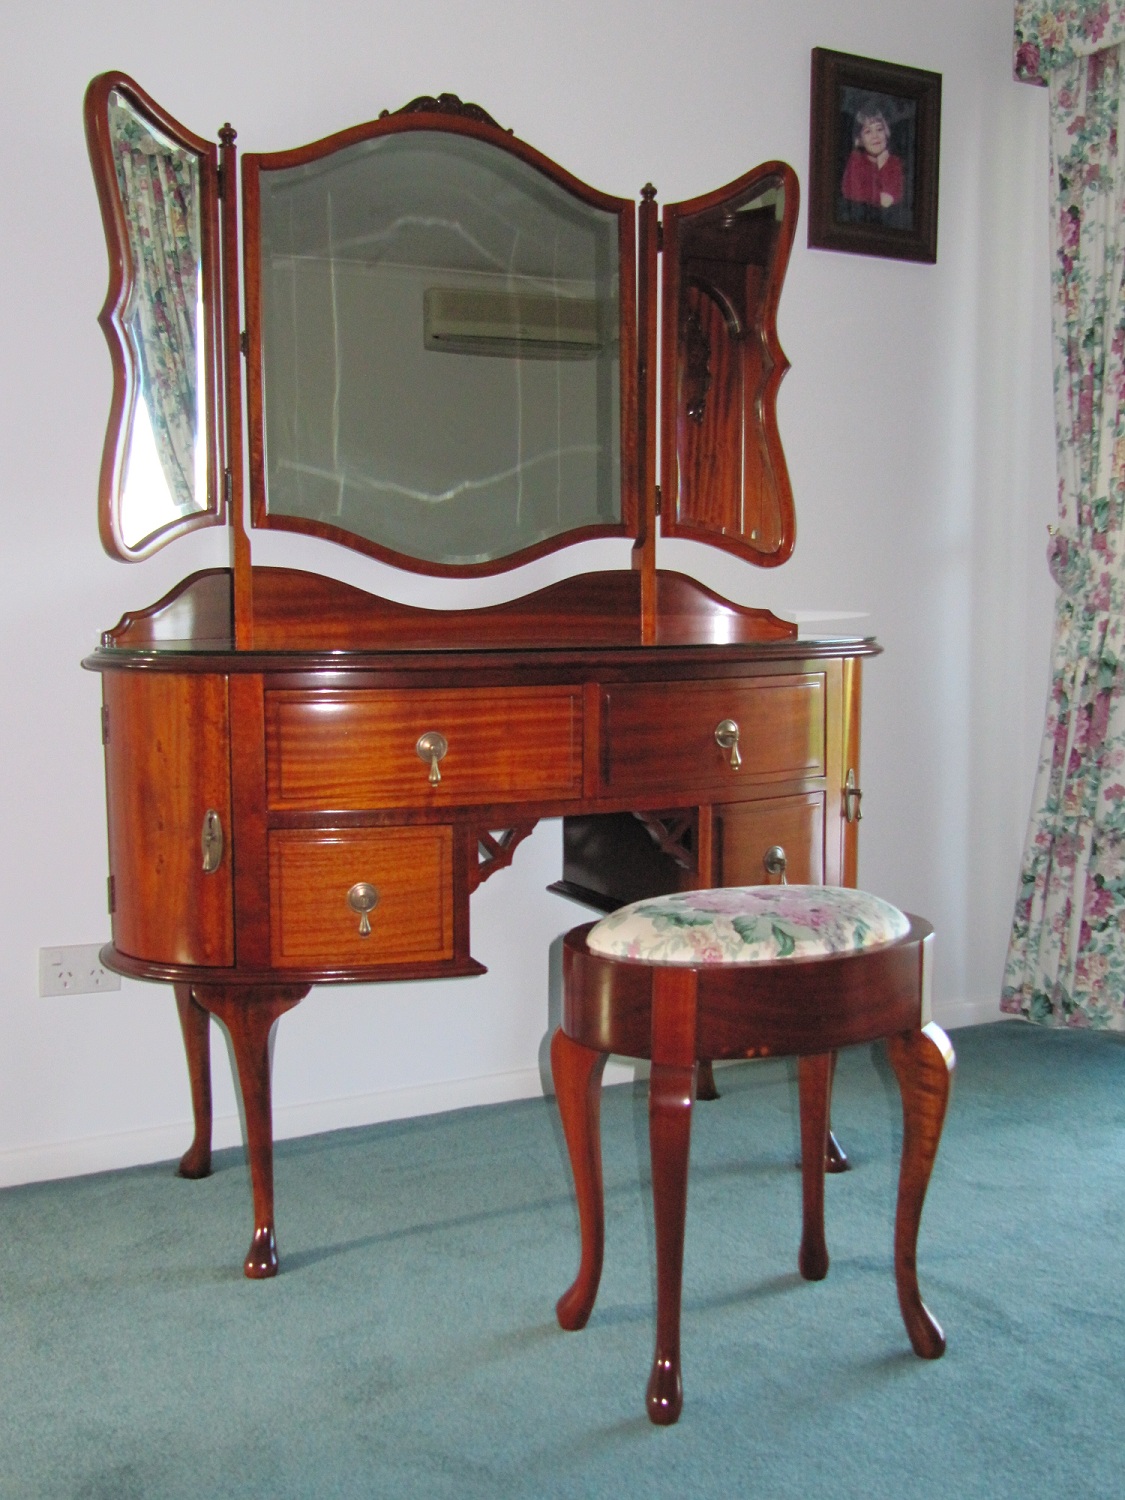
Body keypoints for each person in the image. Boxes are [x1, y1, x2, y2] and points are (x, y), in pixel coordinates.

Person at [841, 107, 903, 210]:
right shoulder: (856, 161)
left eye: (879, 129)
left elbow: (888, 202)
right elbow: (856, 198)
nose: (875, 136)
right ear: (860, 139)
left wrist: (883, 166)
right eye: (868, 131)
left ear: (886, 133)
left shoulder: (894, 162)